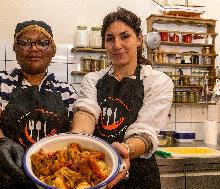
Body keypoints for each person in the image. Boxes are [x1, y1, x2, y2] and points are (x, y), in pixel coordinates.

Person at [71, 7, 173, 189]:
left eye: (125, 36)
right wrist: (77, 143)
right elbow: (86, 111)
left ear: (139, 39)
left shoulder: (158, 82)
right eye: (110, 39)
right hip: (96, 171)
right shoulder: (93, 79)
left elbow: (145, 130)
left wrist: (125, 151)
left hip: (140, 176)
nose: (117, 45)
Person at [0, 20, 77, 188]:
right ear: (15, 48)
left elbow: (75, 137)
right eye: (25, 42)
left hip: (49, 180)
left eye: (43, 42)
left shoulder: (67, 92)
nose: (34, 48)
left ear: (53, 50)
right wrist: (0, 145)